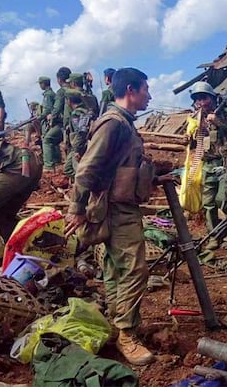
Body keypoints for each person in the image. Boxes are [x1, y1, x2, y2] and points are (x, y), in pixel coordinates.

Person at [65, 67, 167, 366]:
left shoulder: (124, 124)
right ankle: (125, 333)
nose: (150, 95)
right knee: (135, 270)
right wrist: (77, 208)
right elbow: (87, 168)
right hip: (115, 208)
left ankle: (115, 322)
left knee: (114, 268)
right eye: (146, 89)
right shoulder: (114, 124)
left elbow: (122, 166)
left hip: (116, 205)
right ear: (132, 90)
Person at [187, 81, 227, 249]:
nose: (201, 103)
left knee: (223, 199)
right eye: (197, 99)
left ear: (212, 98)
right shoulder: (196, 116)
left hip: (224, 162)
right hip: (207, 163)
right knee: (208, 203)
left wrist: (218, 122)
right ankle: (214, 236)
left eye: (204, 98)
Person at [62, 90, 93, 180]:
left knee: (79, 172)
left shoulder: (76, 114)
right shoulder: (85, 111)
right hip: (80, 146)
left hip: (79, 146)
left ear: (69, 100)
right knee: (68, 168)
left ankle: (85, 187)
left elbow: (81, 132)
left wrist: (77, 150)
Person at [44, 67, 71, 168]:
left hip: (66, 123)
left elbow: (56, 109)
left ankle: (49, 167)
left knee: (47, 139)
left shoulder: (61, 91)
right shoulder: (75, 88)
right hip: (77, 122)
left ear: (59, 79)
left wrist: (51, 120)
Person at [37, 76, 60, 169]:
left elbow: (47, 110)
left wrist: (38, 118)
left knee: (46, 140)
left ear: (43, 84)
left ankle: (48, 165)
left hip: (49, 121)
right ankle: (56, 160)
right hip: (52, 121)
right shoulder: (51, 93)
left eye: (40, 83)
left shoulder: (48, 95)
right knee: (53, 142)